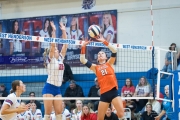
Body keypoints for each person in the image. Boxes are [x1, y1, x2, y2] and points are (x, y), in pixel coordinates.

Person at [80, 35, 125, 120]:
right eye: (99, 54)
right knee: (100, 118)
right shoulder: (95, 67)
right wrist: (83, 46)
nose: (100, 54)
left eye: (102, 53)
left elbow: (114, 50)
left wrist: (104, 41)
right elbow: (82, 60)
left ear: (106, 57)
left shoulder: (109, 63)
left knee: (121, 114)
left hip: (113, 92)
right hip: (104, 94)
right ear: (97, 58)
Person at [42, 21, 68, 120]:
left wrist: (64, 31)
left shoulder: (61, 58)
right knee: (48, 114)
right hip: (49, 87)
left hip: (58, 88)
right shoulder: (50, 59)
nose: (57, 49)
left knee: (59, 114)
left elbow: (65, 44)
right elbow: (53, 45)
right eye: (56, 49)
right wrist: (54, 31)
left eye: (57, 48)